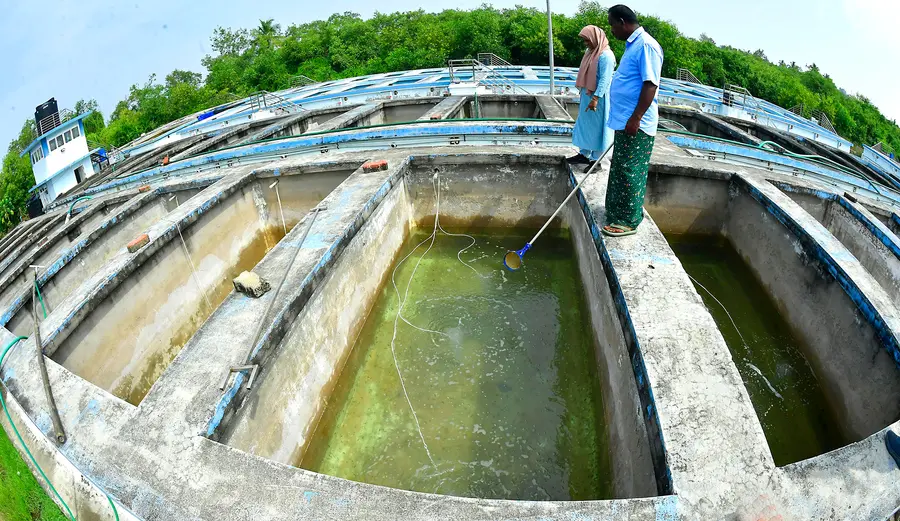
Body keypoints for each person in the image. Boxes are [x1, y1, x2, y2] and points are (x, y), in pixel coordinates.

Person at [602, 4, 663, 237]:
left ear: (622, 22)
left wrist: (636, 117)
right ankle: (616, 212)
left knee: (630, 170)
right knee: (620, 167)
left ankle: (628, 220)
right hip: (626, 120)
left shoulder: (646, 45)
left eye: (612, 25)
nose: (612, 30)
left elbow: (650, 84)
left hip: (636, 123)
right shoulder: (634, 45)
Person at [567, 25, 616, 173]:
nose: (586, 43)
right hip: (587, 95)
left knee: (598, 129)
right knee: (585, 125)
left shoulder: (606, 56)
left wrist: (595, 98)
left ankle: (597, 160)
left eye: (587, 40)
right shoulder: (590, 52)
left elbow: (605, 80)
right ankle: (584, 154)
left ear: (595, 38)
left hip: (599, 99)